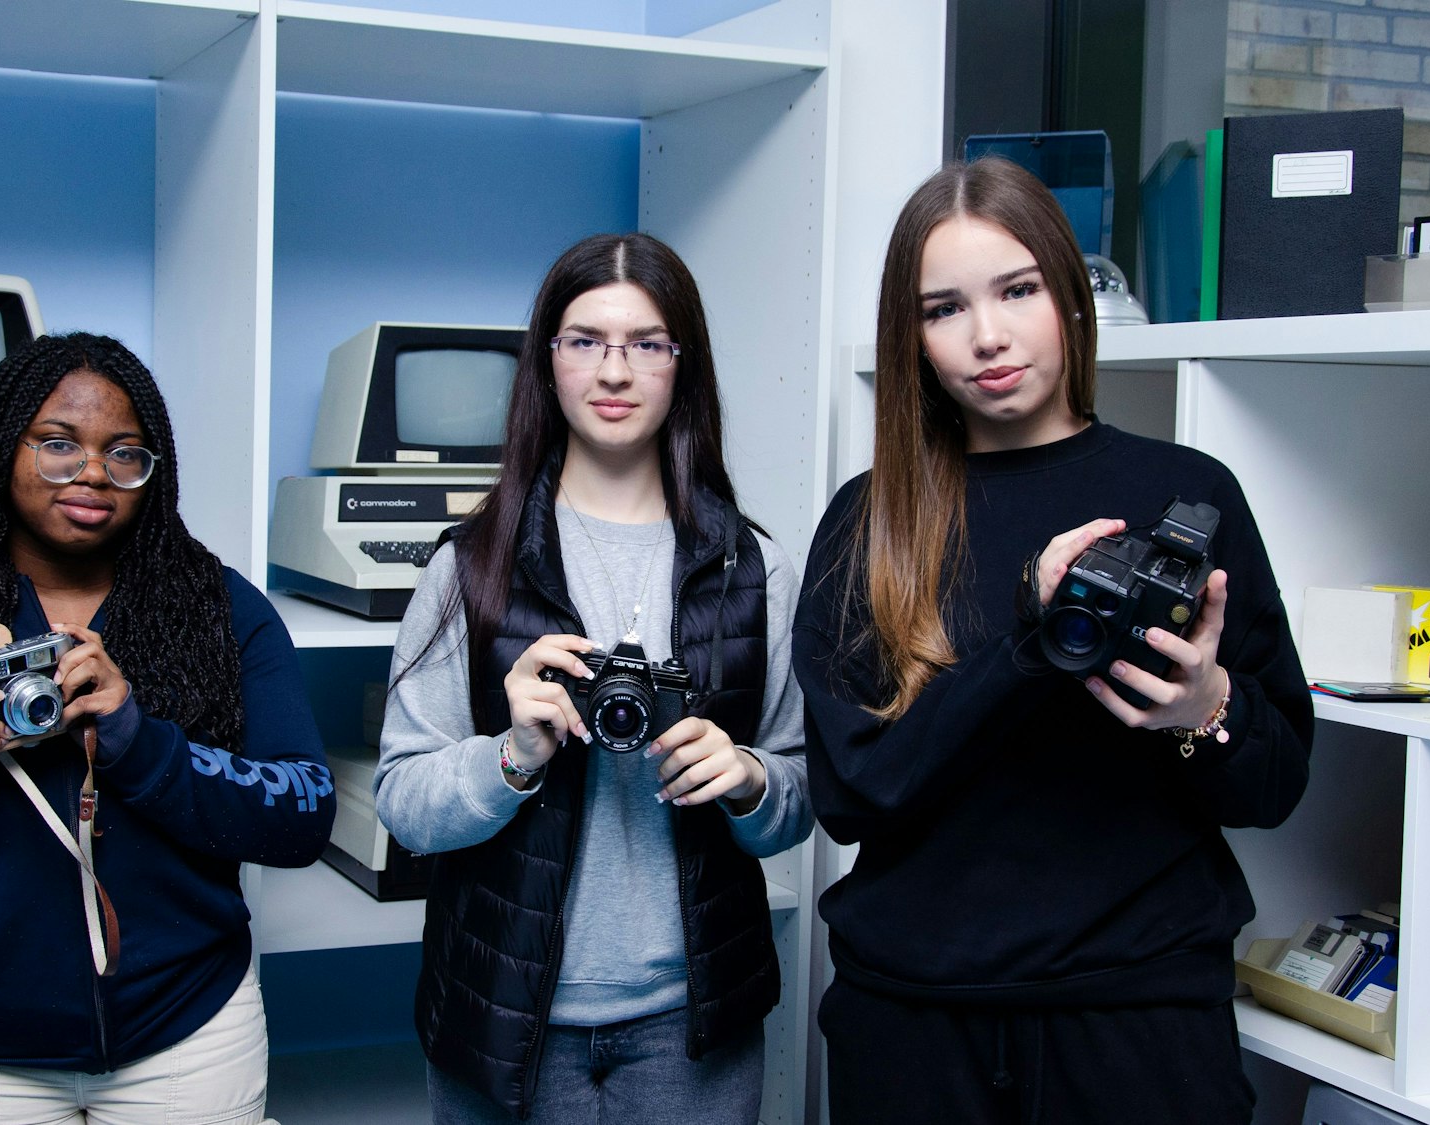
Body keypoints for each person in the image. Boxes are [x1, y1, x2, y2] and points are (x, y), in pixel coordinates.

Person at [793, 157, 1313, 1124]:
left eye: (1018, 290)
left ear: (1070, 299)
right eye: (943, 308)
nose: (988, 335)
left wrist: (1208, 711)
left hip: (1142, 1022)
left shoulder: (1186, 496)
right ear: (911, 339)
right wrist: (1033, 646)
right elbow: (854, 793)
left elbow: (1276, 785)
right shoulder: (874, 521)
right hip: (914, 1025)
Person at [0, 332, 334, 1125]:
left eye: (125, 453)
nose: (92, 472)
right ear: (1, 447)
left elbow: (304, 816)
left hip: (188, 1035)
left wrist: (135, 738)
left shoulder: (221, 612)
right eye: (58, 444)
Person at [374, 232, 813, 1123]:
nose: (615, 371)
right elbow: (401, 800)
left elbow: (798, 806)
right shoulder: (471, 569)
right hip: (504, 1019)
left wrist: (748, 779)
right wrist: (512, 756)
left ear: (683, 365)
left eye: (647, 343)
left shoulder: (753, 569)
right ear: (547, 361)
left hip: (692, 1023)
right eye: (584, 340)